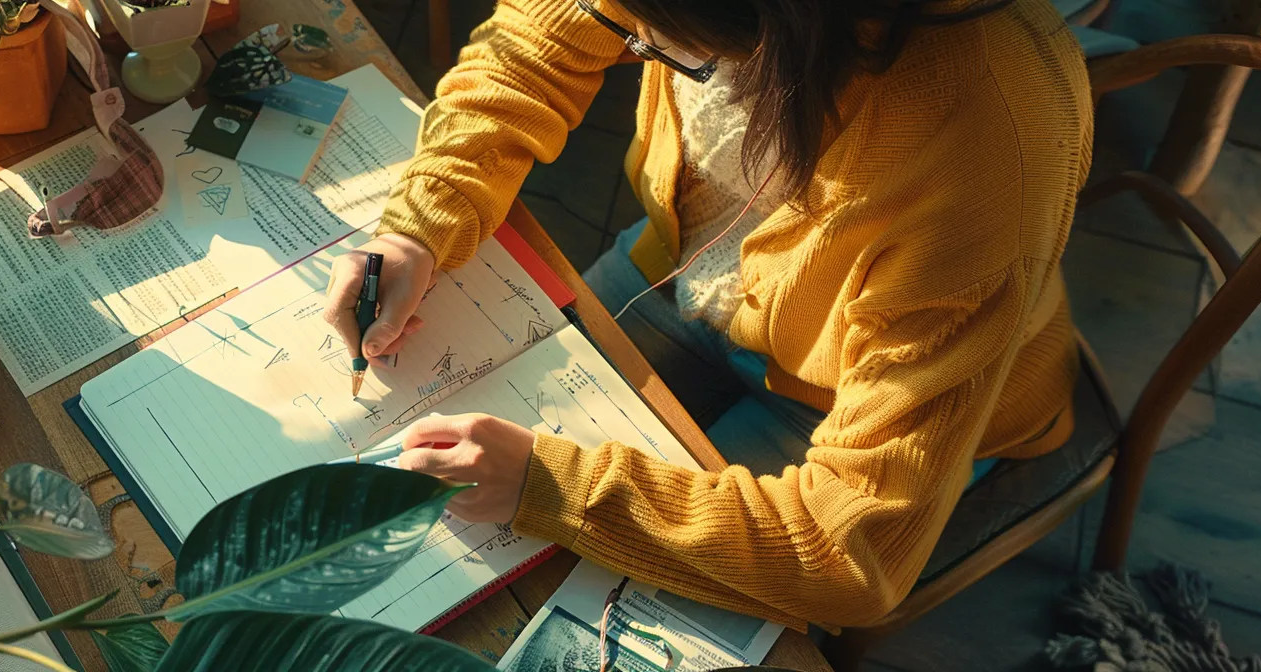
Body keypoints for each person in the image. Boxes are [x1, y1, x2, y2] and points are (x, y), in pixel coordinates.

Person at [322, 0, 1092, 629]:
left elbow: (853, 554)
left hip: (856, 406)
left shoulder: (986, 150)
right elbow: (537, 42)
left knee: (571, 600)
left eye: (652, 41)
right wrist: (422, 223)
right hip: (687, 278)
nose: (629, 42)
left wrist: (558, 489)